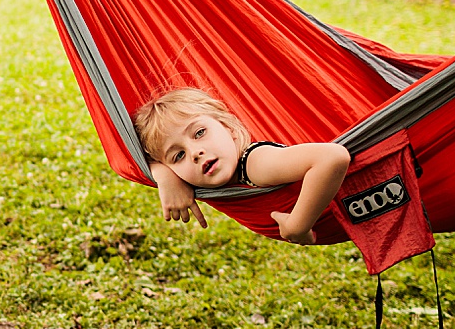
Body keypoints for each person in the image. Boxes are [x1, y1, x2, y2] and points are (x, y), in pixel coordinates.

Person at [133, 88, 351, 245]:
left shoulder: (256, 163)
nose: (195, 153)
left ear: (228, 127)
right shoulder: (215, 169)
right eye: (179, 155)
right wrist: (164, 176)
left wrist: (298, 225)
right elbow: (138, 162)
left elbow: (332, 158)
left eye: (200, 133)